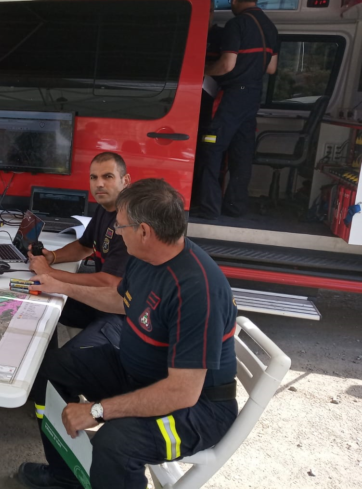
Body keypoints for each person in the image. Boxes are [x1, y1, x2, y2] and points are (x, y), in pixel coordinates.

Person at [17, 179, 238, 489]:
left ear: (144, 231)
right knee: (49, 370)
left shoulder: (197, 290)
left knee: (115, 445)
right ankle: (66, 476)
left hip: (197, 410)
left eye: (120, 227)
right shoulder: (146, 257)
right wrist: (63, 288)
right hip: (140, 373)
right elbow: (121, 301)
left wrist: (96, 411)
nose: (117, 233)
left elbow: (181, 392)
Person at [27, 152, 131, 350]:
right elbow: (84, 246)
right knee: (38, 301)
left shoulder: (128, 220)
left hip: (119, 311)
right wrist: (53, 257)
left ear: (125, 180)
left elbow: (109, 281)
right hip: (99, 298)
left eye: (107, 177)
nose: (99, 184)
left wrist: (50, 274)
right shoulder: (104, 207)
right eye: (94, 177)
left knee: (67, 363)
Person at [194, 0, 279, 220]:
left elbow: (226, 65)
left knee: (211, 149)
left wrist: (198, 72)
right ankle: (235, 207)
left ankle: (209, 208)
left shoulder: (236, 24)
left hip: (231, 97)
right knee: (241, 155)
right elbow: (271, 68)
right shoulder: (270, 27)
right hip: (252, 98)